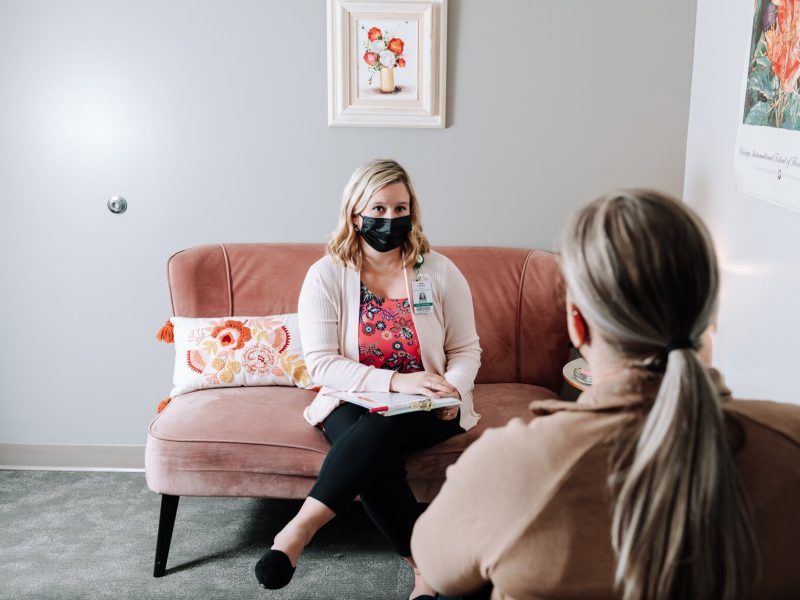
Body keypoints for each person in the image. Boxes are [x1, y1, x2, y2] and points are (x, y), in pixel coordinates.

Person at [411, 190, 800, 599]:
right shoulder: (790, 440)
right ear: (710, 314)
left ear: (577, 325)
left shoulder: (511, 465)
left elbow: (437, 567)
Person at [254, 158, 482, 600]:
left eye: (400, 209)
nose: (390, 219)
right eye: (378, 209)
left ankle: (297, 531)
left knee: (384, 426)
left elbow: (467, 349)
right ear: (354, 213)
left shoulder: (438, 270)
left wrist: (452, 387)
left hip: (433, 403)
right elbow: (321, 363)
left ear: (412, 211)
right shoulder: (325, 275)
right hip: (350, 397)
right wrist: (397, 382)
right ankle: (425, 570)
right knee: (376, 434)